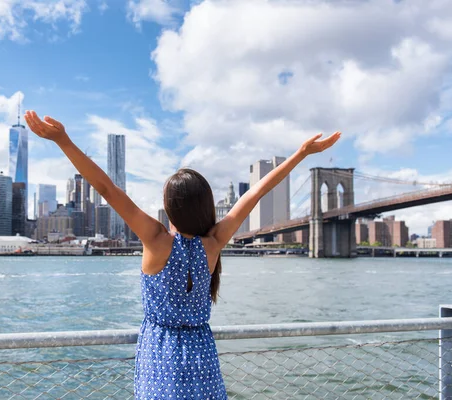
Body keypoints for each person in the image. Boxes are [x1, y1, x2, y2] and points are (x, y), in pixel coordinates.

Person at [24, 110, 341, 399]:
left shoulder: (156, 240)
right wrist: (301, 153)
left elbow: (106, 188)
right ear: (205, 205)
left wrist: (62, 140)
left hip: (162, 356)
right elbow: (256, 193)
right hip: (202, 354)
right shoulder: (213, 243)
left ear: (169, 207)